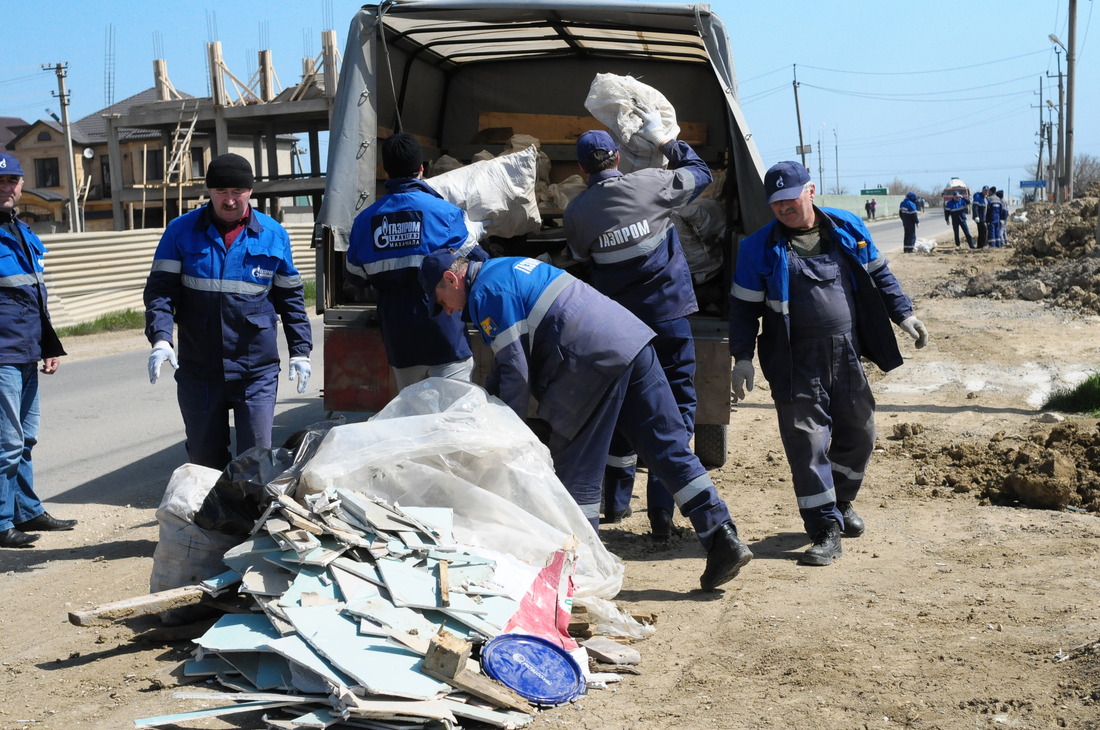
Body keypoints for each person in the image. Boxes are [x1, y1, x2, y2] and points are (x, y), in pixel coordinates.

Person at [419, 248, 753, 591]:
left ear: (451, 278)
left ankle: (582, 576)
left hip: (589, 364)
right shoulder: (505, 267)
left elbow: (515, 371)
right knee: (667, 447)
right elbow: (509, 365)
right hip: (631, 342)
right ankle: (722, 537)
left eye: (440, 300)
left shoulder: (486, 293)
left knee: (576, 474)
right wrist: (489, 397)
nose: (447, 310)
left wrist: (508, 432)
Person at [727, 161, 928, 567]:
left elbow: (880, 275)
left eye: (790, 200)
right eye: (776, 204)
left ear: (811, 191)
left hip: (847, 353)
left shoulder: (848, 227)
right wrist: (743, 357)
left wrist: (904, 314)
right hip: (794, 359)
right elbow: (744, 309)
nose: (784, 209)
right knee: (807, 443)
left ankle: (841, 500)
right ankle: (824, 528)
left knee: (861, 433)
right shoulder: (757, 248)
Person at [563, 111, 711, 541]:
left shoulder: (578, 212)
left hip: (620, 328)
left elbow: (579, 255)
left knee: (625, 408)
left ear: (581, 170)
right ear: (617, 158)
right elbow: (700, 173)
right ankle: (663, 514)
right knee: (677, 410)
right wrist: (667, 142)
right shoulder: (651, 184)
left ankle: (616, 502)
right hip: (668, 319)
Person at [144, 153, 313, 471]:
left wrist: (300, 350)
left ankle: (250, 520)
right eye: (222, 191)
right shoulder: (180, 232)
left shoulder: (273, 235)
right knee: (204, 460)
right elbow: (160, 292)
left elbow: (291, 299)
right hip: (200, 370)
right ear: (209, 191)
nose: (230, 199)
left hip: (256, 371)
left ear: (250, 192)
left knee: (255, 461)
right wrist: (161, 338)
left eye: (238, 191)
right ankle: (214, 520)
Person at [345, 133, 484, 391]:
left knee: (412, 420)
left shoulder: (364, 222)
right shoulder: (446, 214)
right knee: (455, 417)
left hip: (400, 340)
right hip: (447, 336)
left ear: (386, 171)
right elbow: (479, 264)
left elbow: (355, 276)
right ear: (422, 168)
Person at [0, 153, 75, 548]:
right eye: (0, 182)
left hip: (26, 350)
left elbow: (35, 299)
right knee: (6, 442)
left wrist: (49, 345)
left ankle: (25, 511)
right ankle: (0, 521)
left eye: (12, 179)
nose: (7, 188)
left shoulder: (24, 234)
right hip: (2, 356)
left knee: (25, 439)